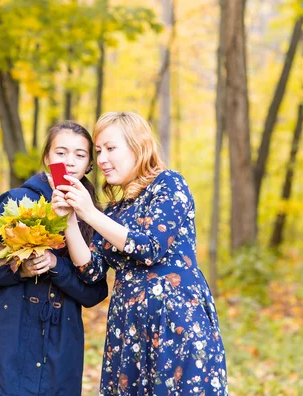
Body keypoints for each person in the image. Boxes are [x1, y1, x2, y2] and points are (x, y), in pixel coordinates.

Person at [51, 112, 228, 395]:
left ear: (138, 146)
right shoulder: (114, 211)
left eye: (110, 148)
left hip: (174, 323)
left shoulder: (168, 184)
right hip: (128, 329)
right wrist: (70, 219)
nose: (103, 159)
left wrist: (90, 213)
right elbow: (91, 270)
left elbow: (150, 247)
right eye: (98, 151)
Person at [0, 121, 109, 396]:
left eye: (80, 155)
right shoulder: (19, 201)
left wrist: (57, 266)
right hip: (10, 332)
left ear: (90, 163)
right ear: (46, 157)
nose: (69, 162)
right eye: (61, 153)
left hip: (60, 339)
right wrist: (20, 270)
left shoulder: (95, 214)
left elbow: (95, 292)